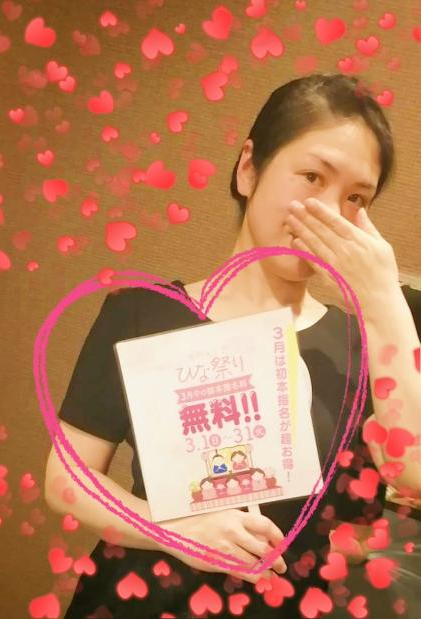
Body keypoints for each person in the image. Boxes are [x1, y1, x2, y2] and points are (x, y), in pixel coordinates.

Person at [44, 72, 421, 618]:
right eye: (312, 176)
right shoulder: (142, 312)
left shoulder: (361, 349)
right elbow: (68, 479)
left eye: (355, 197)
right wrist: (178, 531)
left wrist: (383, 297)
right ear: (249, 169)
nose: (328, 211)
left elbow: (410, 479)